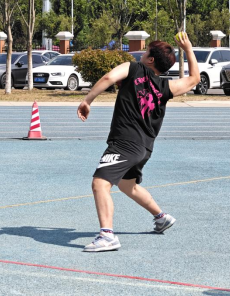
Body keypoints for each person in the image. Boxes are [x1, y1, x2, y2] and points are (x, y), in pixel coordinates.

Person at [77, 33, 200, 252]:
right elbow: (194, 79)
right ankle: (161, 217)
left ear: (150, 59)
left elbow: (108, 78)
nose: (142, 54)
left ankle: (107, 236)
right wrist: (188, 49)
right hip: (144, 147)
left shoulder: (132, 68)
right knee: (128, 185)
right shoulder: (165, 87)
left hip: (125, 142)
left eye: (146, 51)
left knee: (100, 183)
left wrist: (87, 100)